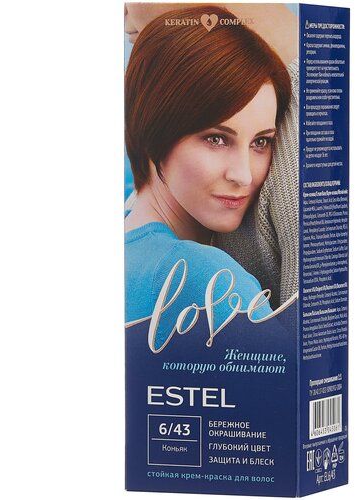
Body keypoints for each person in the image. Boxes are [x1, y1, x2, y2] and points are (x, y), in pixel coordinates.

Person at [124, 6, 292, 348]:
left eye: (261, 142)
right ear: (153, 130)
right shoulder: (212, 282)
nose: (243, 175)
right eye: (216, 139)